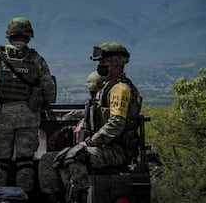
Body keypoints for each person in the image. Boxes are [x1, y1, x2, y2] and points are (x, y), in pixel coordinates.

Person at [53, 42, 143, 203]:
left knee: (75, 157)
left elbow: (116, 124)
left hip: (117, 150)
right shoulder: (108, 88)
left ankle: (79, 198)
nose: (100, 67)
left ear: (116, 64)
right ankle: (66, 196)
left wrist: (89, 142)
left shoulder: (120, 89)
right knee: (58, 159)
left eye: (104, 63)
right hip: (104, 147)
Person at [0, 17, 56, 194]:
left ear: (9, 35)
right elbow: (48, 89)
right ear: (28, 37)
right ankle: (22, 197)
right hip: (29, 115)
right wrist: (42, 104)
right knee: (25, 162)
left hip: (2, 113)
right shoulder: (37, 60)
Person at [39, 71, 105, 203]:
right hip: (88, 148)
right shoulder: (92, 106)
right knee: (48, 160)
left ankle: (78, 197)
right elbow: (86, 124)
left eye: (96, 90)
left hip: (102, 149)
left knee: (71, 158)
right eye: (91, 90)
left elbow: (109, 130)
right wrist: (64, 130)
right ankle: (56, 198)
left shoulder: (107, 108)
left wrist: (88, 143)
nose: (93, 94)